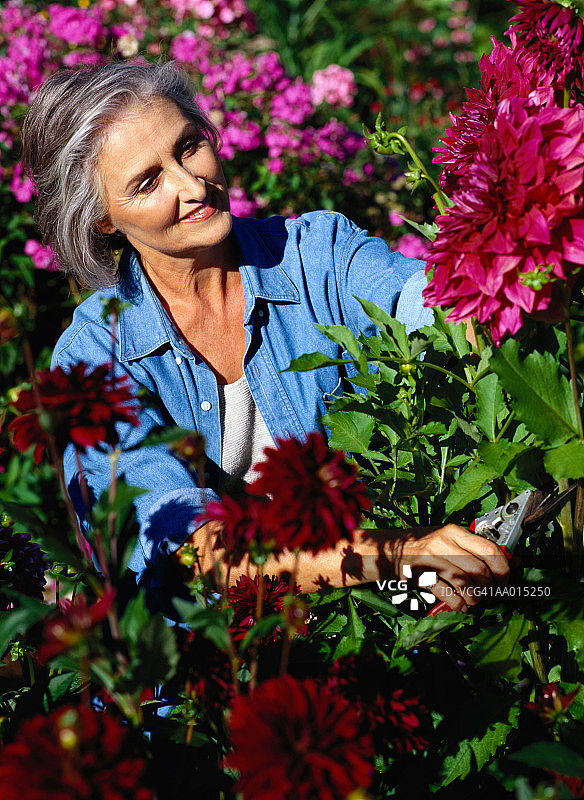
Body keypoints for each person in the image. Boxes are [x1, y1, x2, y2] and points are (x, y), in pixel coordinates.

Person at [21, 60, 509, 614]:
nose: (191, 185)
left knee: (512, 599)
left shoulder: (317, 255)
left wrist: (515, 252)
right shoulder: (94, 362)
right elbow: (191, 556)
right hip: (212, 670)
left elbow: (439, 313)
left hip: (375, 614)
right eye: (147, 182)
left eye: (187, 147)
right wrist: (396, 556)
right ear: (104, 220)